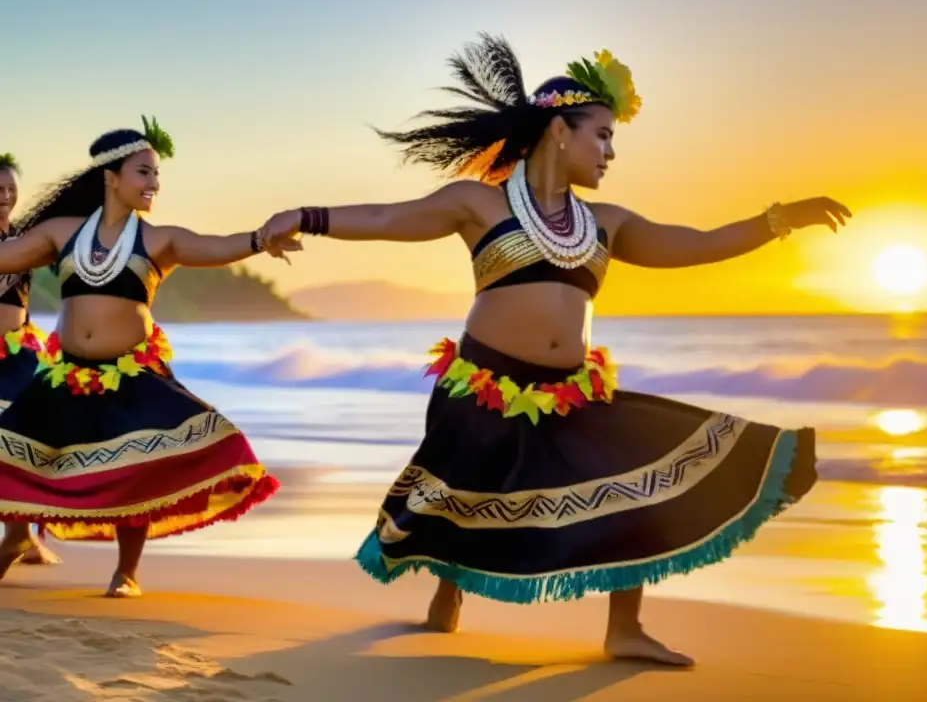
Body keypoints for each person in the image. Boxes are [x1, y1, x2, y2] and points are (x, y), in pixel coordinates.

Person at [258, 35, 852, 665]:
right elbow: (384, 217)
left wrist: (777, 220)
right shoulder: (478, 204)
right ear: (560, 132)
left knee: (638, 471)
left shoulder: (608, 223)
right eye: (602, 135)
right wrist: (304, 216)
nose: (610, 153)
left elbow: (697, 242)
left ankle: (626, 627)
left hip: (570, 393)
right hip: (482, 387)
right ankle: (449, 592)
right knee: (464, 497)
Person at [0, 118, 298, 597]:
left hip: (131, 377)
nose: (154, 184)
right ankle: (15, 541)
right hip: (65, 376)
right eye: (144, 172)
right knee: (15, 454)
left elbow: (217, 247)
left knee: (138, 473)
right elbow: (6, 257)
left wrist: (261, 240)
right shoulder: (62, 233)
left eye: (157, 175)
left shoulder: (160, 240)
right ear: (111, 177)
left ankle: (127, 573)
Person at [0, 154, 61, 567]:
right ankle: (19, 535)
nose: (4, 196)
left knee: (24, 444)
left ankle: (21, 534)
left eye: (10, 189)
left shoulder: (25, 237)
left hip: (19, 353)